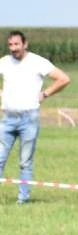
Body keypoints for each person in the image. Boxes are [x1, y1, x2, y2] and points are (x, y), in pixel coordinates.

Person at [0, 30, 70, 205]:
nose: (13, 48)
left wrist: (45, 93)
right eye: (10, 45)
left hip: (28, 119)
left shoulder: (38, 62)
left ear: (25, 44)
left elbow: (63, 79)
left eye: (16, 44)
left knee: (25, 161)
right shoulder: (4, 62)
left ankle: (23, 199)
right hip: (7, 118)